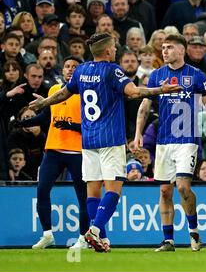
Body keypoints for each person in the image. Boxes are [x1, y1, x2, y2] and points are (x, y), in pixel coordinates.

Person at [29, 32, 181, 253]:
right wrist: (160, 90)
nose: (116, 51)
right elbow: (134, 91)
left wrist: (44, 103)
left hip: (88, 140)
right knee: (114, 190)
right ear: (108, 50)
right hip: (110, 138)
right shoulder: (112, 70)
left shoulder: (81, 70)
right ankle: (96, 229)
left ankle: (103, 239)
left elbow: (64, 93)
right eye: (115, 49)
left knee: (93, 191)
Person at [133, 33, 206, 252]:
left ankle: (193, 231)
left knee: (182, 186)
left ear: (182, 50)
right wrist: (137, 133)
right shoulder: (156, 76)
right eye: (163, 47)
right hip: (163, 142)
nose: (165, 51)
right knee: (164, 191)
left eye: (170, 47)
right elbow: (144, 106)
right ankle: (168, 240)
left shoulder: (197, 76)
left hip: (187, 140)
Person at [16, 56, 90, 250]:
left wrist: (72, 126)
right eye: (67, 66)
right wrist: (25, 122)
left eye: (75, 67)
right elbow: (47, 117)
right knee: (42, 190)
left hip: (77, 151)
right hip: (53, 150)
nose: (70, 70)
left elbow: (92, 124)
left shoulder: (86, 93)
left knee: (82, 196)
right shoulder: (54, 91)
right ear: (62, 70)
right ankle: (48, 235)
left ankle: (83, 238)